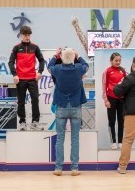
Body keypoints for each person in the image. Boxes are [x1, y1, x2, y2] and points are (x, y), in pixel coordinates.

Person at [48, 47, 89, 176]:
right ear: (73, 58)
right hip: (76, 106)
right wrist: (78, 56)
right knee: (75, 139)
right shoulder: (78, 68)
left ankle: (58, 168)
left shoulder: (58, 70)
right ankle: (75, 168)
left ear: (62, 58)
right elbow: (86, 65)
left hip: (61, 106)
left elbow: (49, 67)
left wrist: (55, 56)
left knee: (60, 139)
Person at [8, 25, 45, 131]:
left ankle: (35, 122)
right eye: (25, 34)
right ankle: (22, 122)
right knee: (21, 101)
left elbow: (42, 60)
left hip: (32, 78)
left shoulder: (35, 47)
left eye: (29, 35)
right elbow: (10, 62)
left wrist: (40, 72)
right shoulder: (16, 47)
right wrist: (14, 74)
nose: (27, 37)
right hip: (20, 79)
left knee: (35, 100)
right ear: (21, 35)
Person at [102, 52, 126, 150]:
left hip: (121, 99)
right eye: (116, 60)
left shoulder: (123, 71)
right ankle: (113, 142)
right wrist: (105, 100)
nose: (118, 62)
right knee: (112, 121)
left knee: (121, 121)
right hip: (111, 98)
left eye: (119, 60)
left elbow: (126, 85)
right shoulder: (107, 71)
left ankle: (120, 141)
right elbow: (104, 86)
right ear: (111, 61)